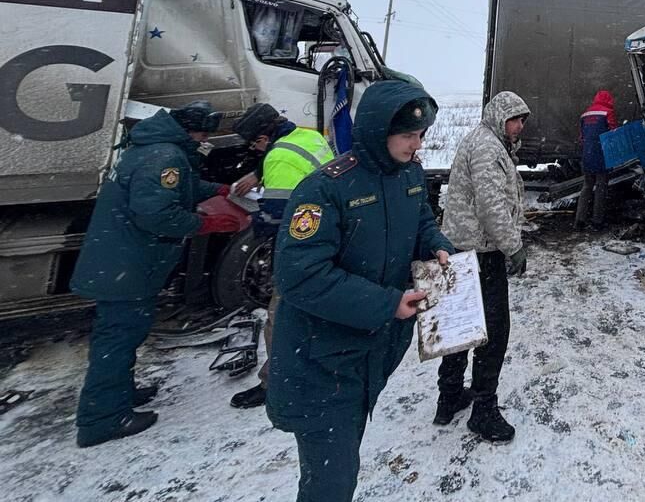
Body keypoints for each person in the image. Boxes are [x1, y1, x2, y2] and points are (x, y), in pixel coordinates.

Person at [265, 81, 453, 502]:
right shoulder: (325, 189)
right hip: (322, 360)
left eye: (421, 135)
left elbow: (421, 220)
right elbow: (300, 276)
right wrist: (387, 304)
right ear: (375, 130)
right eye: (407, 134)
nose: (416, 144)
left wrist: (437, 245)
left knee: (340, 464)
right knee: (331, 482)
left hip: (368, 352)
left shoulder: (410, 174)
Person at [72, 101, 241, 447]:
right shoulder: (166, 157)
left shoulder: (153, 147)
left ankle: (120, 392)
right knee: (117, 339)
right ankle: (102, 419)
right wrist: (205, 223)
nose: (204, 140)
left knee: (123, 335)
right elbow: (156, 214)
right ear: (193, 130)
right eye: (204, 133)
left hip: (123, 259)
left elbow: (181, 188)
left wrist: (219, 189)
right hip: (129, 264)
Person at [227, 103, 335, 409]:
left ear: (263, 138)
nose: (256, 150)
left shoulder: (278, 157)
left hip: (301, 249)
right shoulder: (309, 136)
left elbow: (277, 218)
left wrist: (256, 219)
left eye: (255, 145)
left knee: (281, 318)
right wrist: (260, 171)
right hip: (328, 238)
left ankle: (275, 386)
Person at [438, 91, 531, 443]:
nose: (519, 126)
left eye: (522, 120)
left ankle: (448, 397)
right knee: (494, 332)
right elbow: (492, 207)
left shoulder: (487, 141)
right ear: (499, 116)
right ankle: (483, 410)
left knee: (462, 326)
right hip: (481, 252)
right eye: (515, 118)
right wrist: (514, 247)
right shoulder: (488, 147)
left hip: (463, 248)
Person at [576, 89, 618, 231]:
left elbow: (581, 137)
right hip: (602, 155)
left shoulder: (585, 114)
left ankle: (580, 220)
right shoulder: (608, 113)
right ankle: (597, 221)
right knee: (601, 187)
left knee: (587, 186)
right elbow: (613, 133)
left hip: (587, 154)